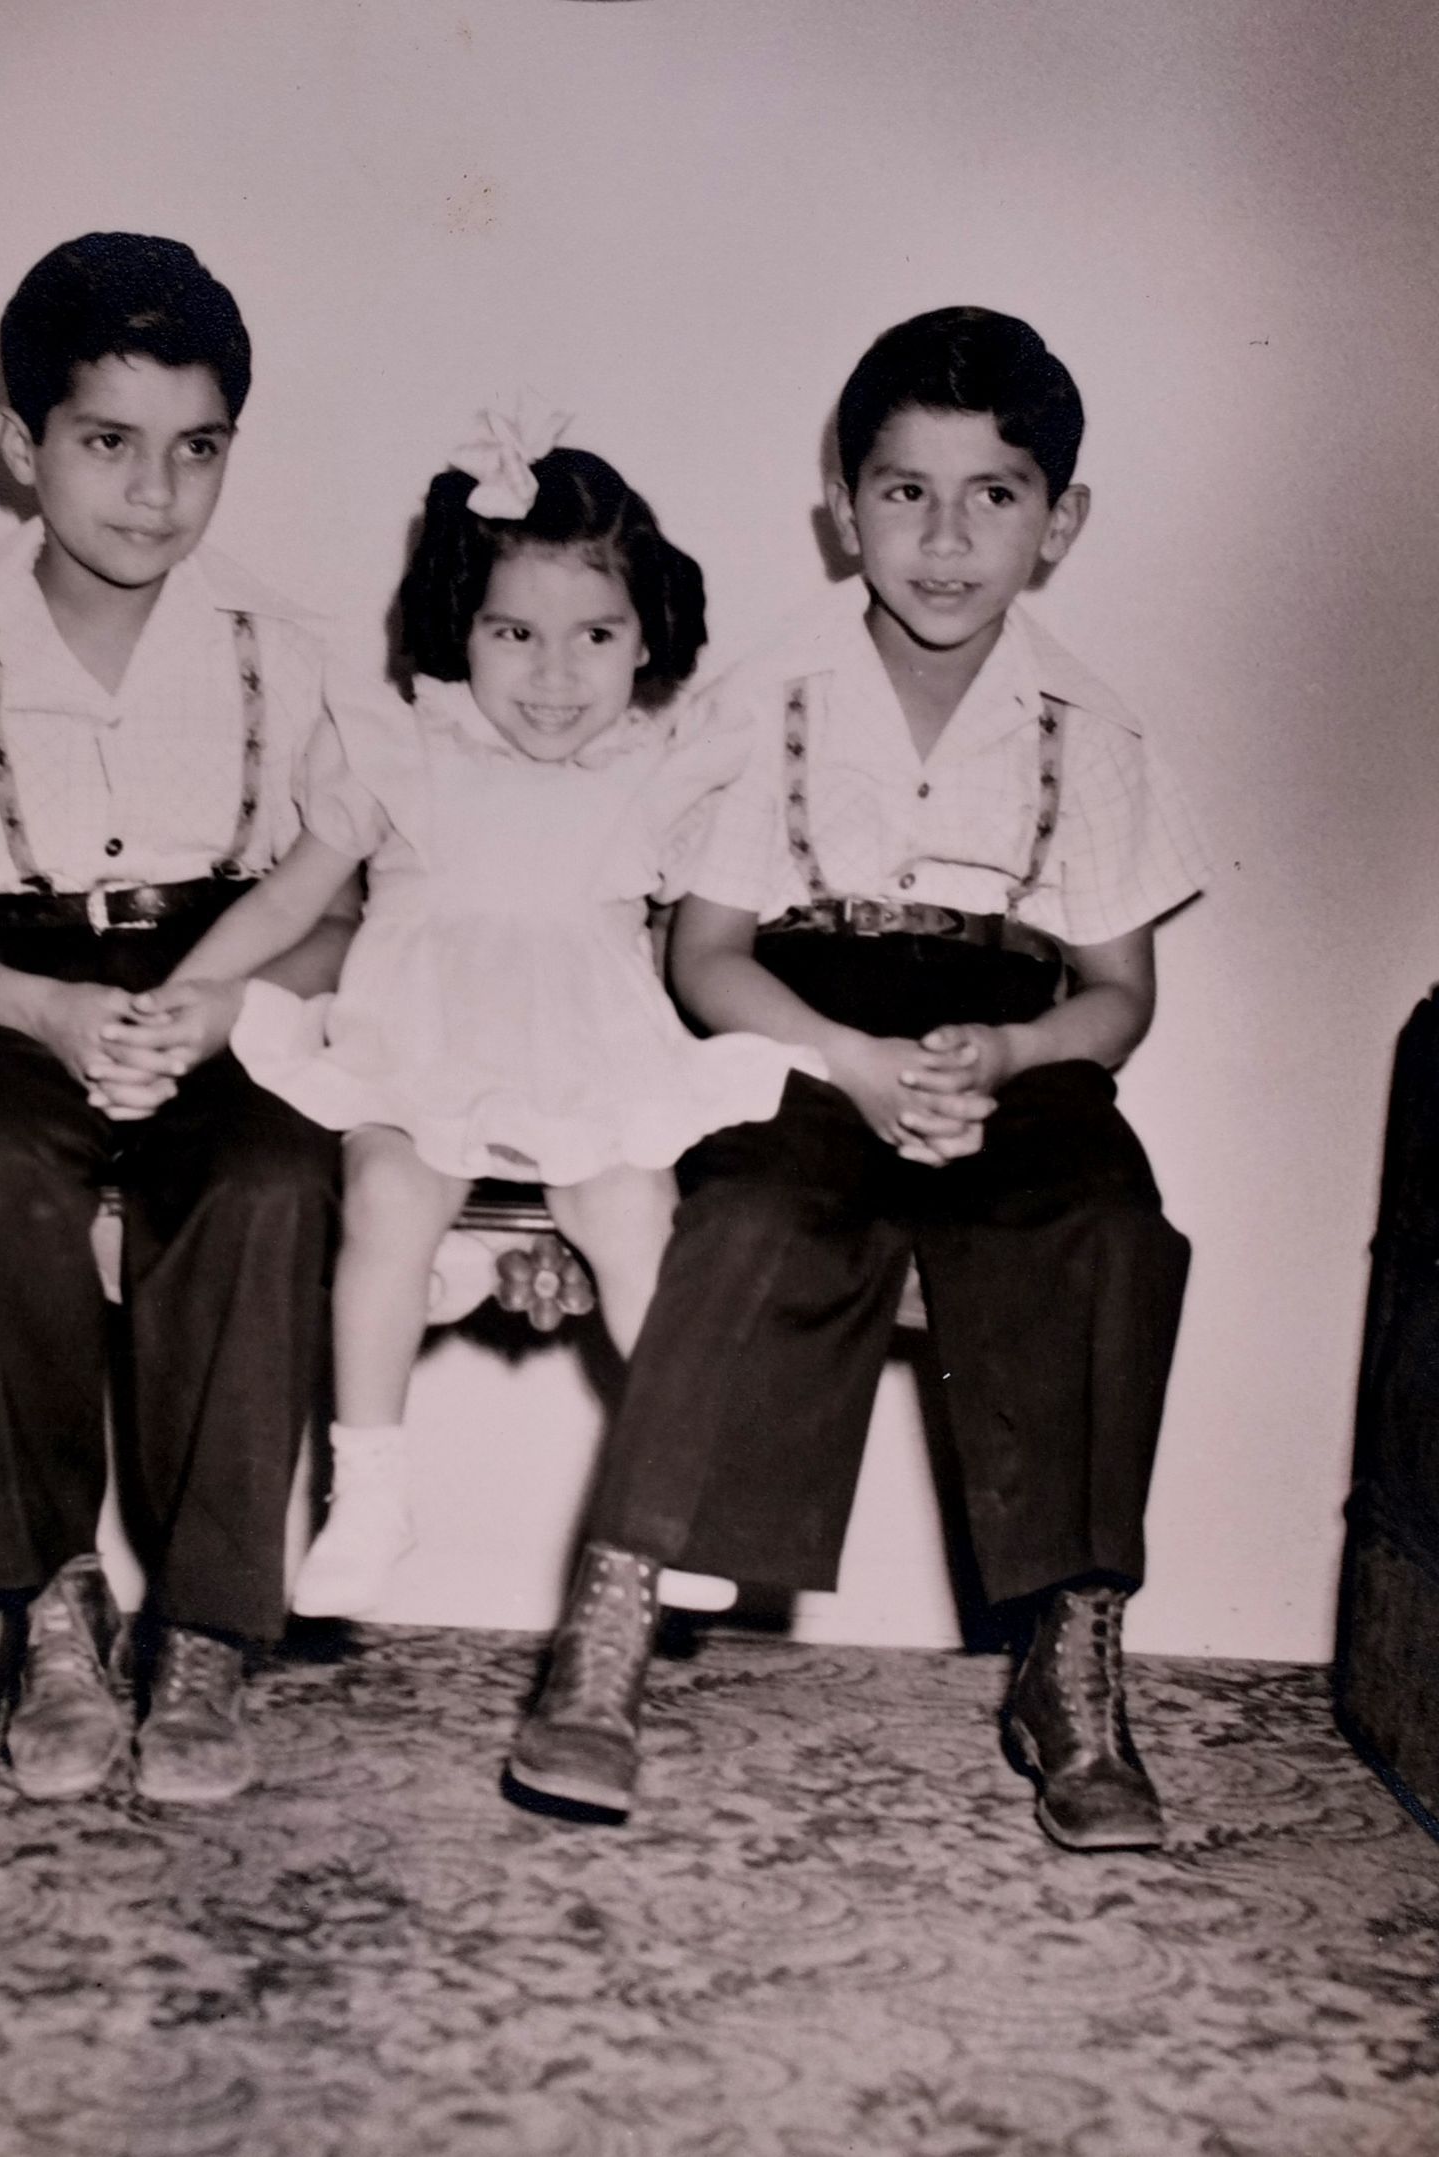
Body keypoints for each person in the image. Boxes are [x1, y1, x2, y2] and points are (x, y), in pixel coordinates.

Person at [507, 309, 1208, 1848]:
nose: (946, 540)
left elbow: (1118, 1000)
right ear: (843, 509)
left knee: (1107, 1227)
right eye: (905, 493)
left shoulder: (1094, 730)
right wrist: (850, 1061)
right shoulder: (767, 700)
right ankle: (609, 1637)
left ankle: (1073, 1662)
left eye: (994, 496)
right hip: (801, 1030)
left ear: (1060, 522)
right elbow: (706, 956)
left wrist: (1011, 1052)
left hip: (1011, 1052)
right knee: (751, 1216)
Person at [0, 233, 348, 1806]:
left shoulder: (284, 659)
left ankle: (209, 1630)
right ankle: (43, 1601)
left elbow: (339, 914)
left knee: (270, 1173)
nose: (156, 493)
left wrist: (229, 1003)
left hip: (222, 984)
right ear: (18, 444)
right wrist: (42, 1009)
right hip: (7, 995)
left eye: (199, 449)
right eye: (109, 442)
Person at [124, 415, 817, 1621]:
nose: (555, 677)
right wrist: (187, 992)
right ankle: (370, 1493)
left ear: (646, 635)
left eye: (596, 635)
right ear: (462, 628)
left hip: (586, 1050)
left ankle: (676, 1494)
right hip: (419, 1042)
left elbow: (698, 928)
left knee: (631, 1209)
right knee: (391, 1191)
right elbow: (289, 898)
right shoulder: (406, 748)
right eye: (514, 634)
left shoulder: (656, 768)